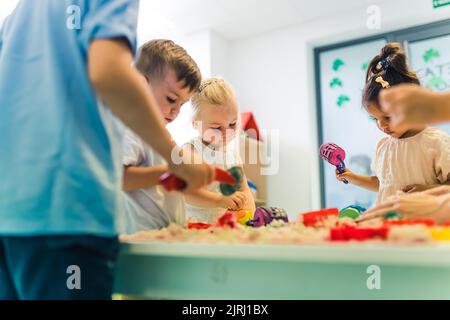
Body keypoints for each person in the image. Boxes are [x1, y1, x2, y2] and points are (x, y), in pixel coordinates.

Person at [0, 1, 213, 300]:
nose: (175, 111)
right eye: (171, 100)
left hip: (12, 218)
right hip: (70, 216)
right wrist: (173, 159)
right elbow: (109, 72)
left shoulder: (19, 14)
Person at [335, 43, 450, 205]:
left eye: (388, 117)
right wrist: (352, 177)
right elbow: (382, 184)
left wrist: (427, 190)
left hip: (428, 227)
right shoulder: (383, 146)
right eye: (375, 119)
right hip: (391, 224)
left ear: (412, 105)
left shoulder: (436, 142)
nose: (382, 125)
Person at [122, 39, 203, 232]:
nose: (176, 111)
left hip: (165, 235)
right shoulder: (130, 128)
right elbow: (118, 178)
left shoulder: (163, 136)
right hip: (139, 240)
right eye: (171, 99)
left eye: (182, 104)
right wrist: (168, 173)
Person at [183, 78, 256, 223]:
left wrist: (249, 217)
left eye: (232, 124)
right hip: (193, 227)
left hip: (223, 229)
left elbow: (244, 190)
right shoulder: (190, 151)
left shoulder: (232, 154)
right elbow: (187, 193)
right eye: (216, 127)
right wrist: (220, 200)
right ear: (195, 124)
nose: (226, 132)